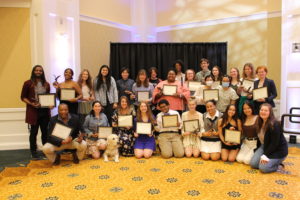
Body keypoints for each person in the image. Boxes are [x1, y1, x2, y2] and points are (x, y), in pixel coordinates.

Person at [21, 65, 51, 159]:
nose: (38, 72)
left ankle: (45, 150)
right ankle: (33, 152)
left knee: (45, 132)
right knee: (33, 132)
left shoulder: (46, 84)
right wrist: (31, 104)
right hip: (33, 112)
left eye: (40, 71)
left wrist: (50, 104)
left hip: (45, 112)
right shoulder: (27, 83)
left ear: (42, 72)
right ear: (33, 71)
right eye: (36, 70)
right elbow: (23, 97)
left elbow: (48, 97)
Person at [250, 103, 288, 173]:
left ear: (270, 113)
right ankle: (271, 162)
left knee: (263, 168)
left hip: (278, 150)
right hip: (264, 146)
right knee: (253, 164)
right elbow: (259, 139)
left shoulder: (275, 124)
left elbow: (274, 144)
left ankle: (278, 165)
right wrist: (257, 151)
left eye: (266, 110)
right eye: (262, 110)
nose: (263, 112)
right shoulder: (259, 121)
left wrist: (265, 155)